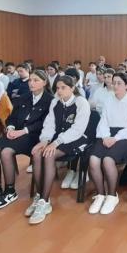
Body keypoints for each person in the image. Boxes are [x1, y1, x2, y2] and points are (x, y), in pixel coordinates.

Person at [0, 70, 54, 211]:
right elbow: (12, 117)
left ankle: (10, 191)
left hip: (34, 136)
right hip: (16, 133)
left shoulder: (50, 100)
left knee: (6, 152)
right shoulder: (23, 97)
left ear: (44, 82)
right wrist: (11, 128)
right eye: (30, 80)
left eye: (36, 80)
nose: (31, 83)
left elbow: (44, 123)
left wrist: (22, 131)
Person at [25, 75, 90, 225]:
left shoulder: (81, 102)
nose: (59, 91)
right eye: (57, 88)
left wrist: (55, 143)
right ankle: (40, 196)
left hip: (75, 139)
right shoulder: (55, 102)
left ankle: (44, 201)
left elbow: (78, 129)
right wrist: (44, 141)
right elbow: (49, 125)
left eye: (63, 88)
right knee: (37, 154)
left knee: (49, 155)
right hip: (57, 138)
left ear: (72, 88)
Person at [88, 72, 127, 215]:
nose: (115, 85)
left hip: (125, 136)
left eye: (119, 83)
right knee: (93, 160)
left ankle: (112, 195)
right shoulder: (109, 100)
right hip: (107, 134)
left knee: (107, 160)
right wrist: (105, 136)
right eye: (114, 82)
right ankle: (100, 194)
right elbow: (103, 120)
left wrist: (115, 138)